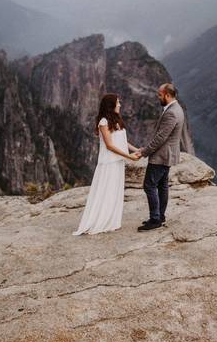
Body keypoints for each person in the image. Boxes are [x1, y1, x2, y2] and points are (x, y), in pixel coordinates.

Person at [73, 93, 141, 235]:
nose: (120, 105)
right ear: (111, 105)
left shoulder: (116, 120)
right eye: (118, 103)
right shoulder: (103, 122)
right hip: (109, 163)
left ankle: (112, 221)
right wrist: (129, 156)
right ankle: (102, 221)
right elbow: (110, 145)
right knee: (107, 192)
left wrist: (137, 149)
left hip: (117, 162)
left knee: (115, 192)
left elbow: (122, 140)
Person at [137, 83, 185, 232]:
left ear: (167, 95)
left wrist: (144, 152)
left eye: (159, 95)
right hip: (168, 156)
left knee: (149, 186)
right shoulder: (177, 108)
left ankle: (155, 219)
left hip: (161, 156)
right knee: (162, 186)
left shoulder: (171, 112)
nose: (158, 97)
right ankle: (160, 216)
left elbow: (160, 138)